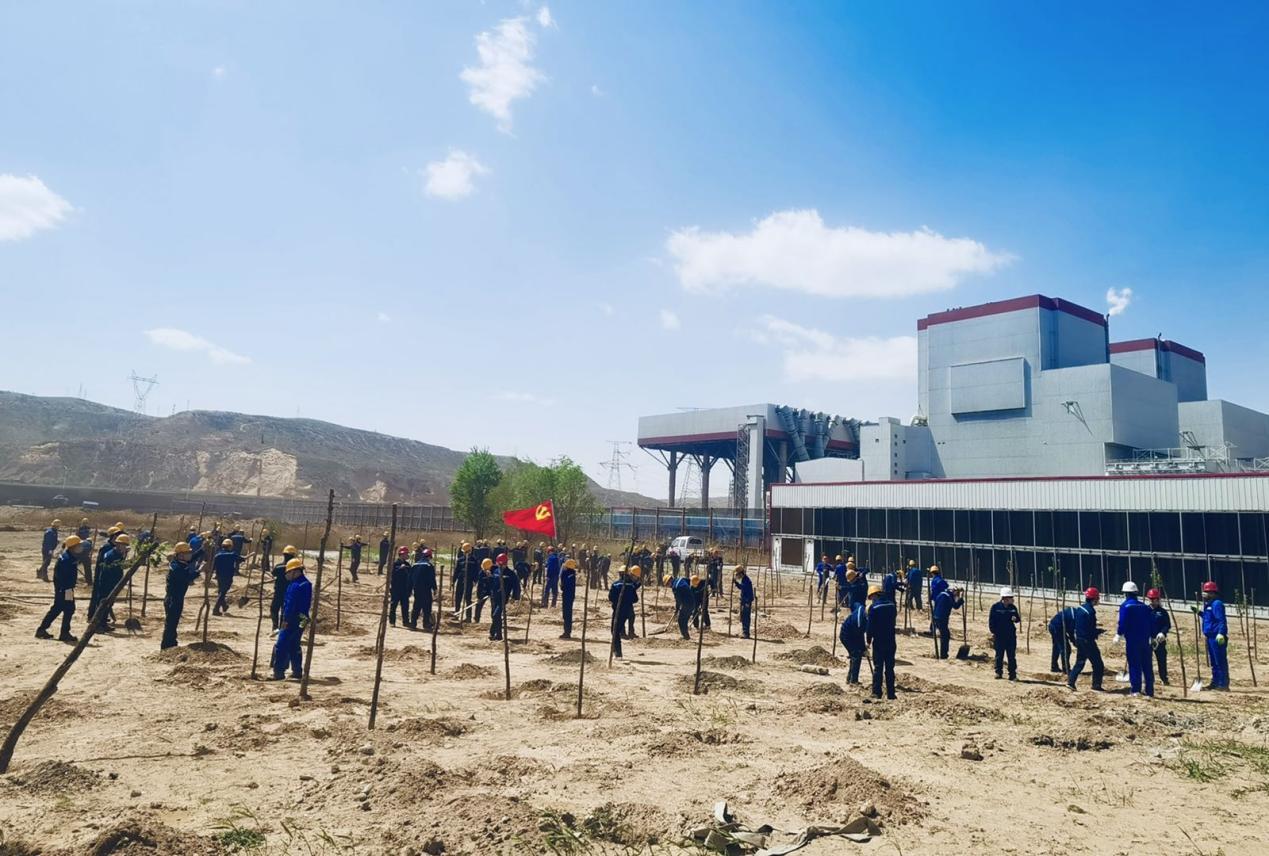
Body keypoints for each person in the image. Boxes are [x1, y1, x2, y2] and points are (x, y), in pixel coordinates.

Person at [36, 534, 87, 643]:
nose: (81, 547)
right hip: (65, 589)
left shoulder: (69, 557)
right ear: (73, 547)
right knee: (64, 608)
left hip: (66, 589)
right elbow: (62, 577)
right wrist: (65, 590)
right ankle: (56, 632)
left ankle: (53, 631)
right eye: (79, 545)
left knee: (65, 609)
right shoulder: (67, 559)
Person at [269, 558, 311, 681]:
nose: (286, 575)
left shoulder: (296, 586)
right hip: (303, 618)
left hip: (293, 618)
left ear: (295, 571)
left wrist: (285, 621)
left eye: (288, 572)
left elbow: (290, 605)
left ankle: (278, 672)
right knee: (294, 643)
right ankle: (297, 671)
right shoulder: (305, 583)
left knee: (281, 644)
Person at [1115, 581, 1155, 697]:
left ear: (1125, 594)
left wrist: (1119, 634)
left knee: (1134, 664)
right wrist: (1152, 636)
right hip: (1145, 640)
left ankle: (1136, 690)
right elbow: (1151, 623)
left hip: (1132, 641)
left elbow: (1123, 622)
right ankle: (1149, 690)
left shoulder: (1126, 606)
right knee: (1147, 665)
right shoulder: (1145, 607)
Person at [161, 542, 200, 649]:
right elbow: (187, 578)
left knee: (173, 623)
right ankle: (166, 646)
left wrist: (202, 550)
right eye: (188, 553)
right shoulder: (177, 567)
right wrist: (200, 570)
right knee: (171, 624)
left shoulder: (179, 562)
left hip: (177, 598)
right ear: (181, 555)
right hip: (173, 599)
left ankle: (172, 643)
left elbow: (191, 558)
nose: (190, 554)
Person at [88, 533, 131, 631]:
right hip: (107, 582)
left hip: (112, 582)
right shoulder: (112, 555)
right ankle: (97, 625)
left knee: (108, 604)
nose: (125, 547)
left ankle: (103, 623)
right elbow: (116, 568)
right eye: (123, 545)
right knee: (102, 604)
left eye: (126, 545)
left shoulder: (117, 553)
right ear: (118, 544)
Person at [1068, 587, 1106, 691]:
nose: (1098, 600)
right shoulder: (1090, 612)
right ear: (1094, 599)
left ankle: (1071, 682)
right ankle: (1096, 685)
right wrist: (1098, 632)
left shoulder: (1080, 608)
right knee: (1098, 664)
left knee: (1080, 662)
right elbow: (1090, 629)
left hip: (1080, 639)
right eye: (1097, 598)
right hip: (1088, 641)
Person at [1195, 580, 1229, 690]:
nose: (1204, 594)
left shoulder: (1217, 604)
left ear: (1212, 593)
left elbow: (1221, 620)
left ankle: (1223, 684)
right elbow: (1208, 618)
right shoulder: (1208, 605)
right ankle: (1215, 682)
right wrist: (1199, 613)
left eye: (1206, 592)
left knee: (1220, 661)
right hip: (1210, 637)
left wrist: (1221, 633)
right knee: (1214, 662)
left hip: (1217, 637)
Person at [866, 584, 897, 700]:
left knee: (878, 667)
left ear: (875, 595)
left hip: (879, 641)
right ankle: (891, 693)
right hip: (891, 640)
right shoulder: (892, 605)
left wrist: (868, 640)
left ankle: (876, 692)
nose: (872, 600)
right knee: (890, 668)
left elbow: (870, 627)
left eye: (871, 597)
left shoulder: (874, 608)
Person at [988, 587, 1021, 680]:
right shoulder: (995, 607)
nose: (1012, 599)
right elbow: (991, 621)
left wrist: (1015, 619)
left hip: (1010, 636)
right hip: (999, 636)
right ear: (1005, 598)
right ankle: (998, 672)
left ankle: (1012, 674)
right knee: (999, 655)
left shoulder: (1013, 608)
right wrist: (993, 632)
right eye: (1011, 598)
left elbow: (1018, 619)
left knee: (1011, 656)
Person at [608, 565, 639, 659]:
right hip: (628, 610)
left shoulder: (615, 584)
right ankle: (616, 650)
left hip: (618, 610)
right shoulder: (631, 585)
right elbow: (635, 599)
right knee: (617, 630)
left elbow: (611, 597)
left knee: (615, 631)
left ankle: (618, 653)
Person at [489, 553, 520, 641]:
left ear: (505, 564)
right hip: (494, 597)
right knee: (494, 616)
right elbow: (491, 583)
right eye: (499, 564)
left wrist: (514, 597)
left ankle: (496, 634)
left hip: (503, 598)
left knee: (496, 615)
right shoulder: (495, 571)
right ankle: (495, 634)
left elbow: (516, 586)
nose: (500, 566)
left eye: (502, 565)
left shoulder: (511, 574)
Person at [270, 544, 300, 633]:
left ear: (284, 555)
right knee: (285, 610)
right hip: (290, 592)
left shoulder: (278, 567)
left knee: (274, 609)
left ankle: (275, 627)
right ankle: (281, 628)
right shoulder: (296, 569)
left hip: (278, 591)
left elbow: (273, 573)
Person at [212, 538, 245, 616]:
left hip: (219, 576)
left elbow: (213, 567)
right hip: (228, 576)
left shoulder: (217, 555)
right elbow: (241, 559)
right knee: (223, 592)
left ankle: (224, 606)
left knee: (220, 591)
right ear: (230, 546)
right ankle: (215, 609)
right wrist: (248, 556)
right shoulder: (232, 554)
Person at [839, 595, 868, 685]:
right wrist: (863, 649)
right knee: (856, 655)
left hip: (852, 634)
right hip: (846, 635)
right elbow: (859, 636)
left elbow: (854, 605)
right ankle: (853, 681)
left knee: (855, 655)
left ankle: (850, 679)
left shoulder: (861, 608)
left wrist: (864, 648)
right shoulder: (859, 621)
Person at [931, 583, 963, 659]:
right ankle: (943, 654)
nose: (957, 595)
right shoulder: (948, 596)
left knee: (944, 635)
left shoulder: (941, 594)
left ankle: (943, 654)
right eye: (957, 593)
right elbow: (955, 606)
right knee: (945, 636)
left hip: (936, 617)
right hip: (942, 618)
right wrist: (961, 599)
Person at [1146, 588, 1171, 685]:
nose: (1152, 601)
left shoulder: (1163, 612)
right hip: (1147, 639)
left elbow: (1167, 625)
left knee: (1162, 659)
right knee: (1147, 660)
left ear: (1158, 599)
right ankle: (1149, 678)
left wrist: (1163, 633)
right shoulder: (1145, 611)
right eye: (1151, 599)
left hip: (1159, 640)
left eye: (1154, 599)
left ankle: (1164, 678)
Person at [410, 548, 438, 631]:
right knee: (427, 607)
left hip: (417, 589)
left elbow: (410, 578)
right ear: (429, 556)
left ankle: (413, 624)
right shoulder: (429, 566)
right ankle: (426, 624)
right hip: (426, 589)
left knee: (416, 606)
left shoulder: (414, 565)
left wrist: (410, 589)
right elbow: (432, 579)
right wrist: (434, 588)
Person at [1048, 605, 1077, 673]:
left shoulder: (1074, 613)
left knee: (1056, 648)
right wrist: (1074, 642)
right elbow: (1071, 631)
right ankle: (1065, 668)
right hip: (1057, 628)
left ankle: (1054, 667)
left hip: (1053, 625)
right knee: (1066, 649)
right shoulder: (1074, 617)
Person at [389, 546, 412, 627]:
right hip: (396, 588)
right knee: (393, 605)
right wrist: (399, 569)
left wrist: (410, 589)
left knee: (405, 606)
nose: (407, 555)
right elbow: (392, 574)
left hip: (405, 589)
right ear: (402, 554)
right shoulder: (395, 563)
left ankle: (406, 622)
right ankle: (392, 621)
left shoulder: (407, 564)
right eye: (406, 554)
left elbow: (410, 576)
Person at [670, 574, 692, 639]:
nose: (669, 586)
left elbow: (678, 600)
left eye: (667, 584)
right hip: (692, 602)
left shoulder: (675, 587)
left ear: (669, 581)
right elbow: (689, 581)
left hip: (686, 604)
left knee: (681, 620)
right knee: (685, 620)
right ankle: (686, 635)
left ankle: (685, 636)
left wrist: (677, 609)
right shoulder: (681, 579)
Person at [453, 542, 473, 619]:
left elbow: (476, 571)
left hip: (469, 581)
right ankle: (457, 614)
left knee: (468, 599)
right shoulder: (460, 560)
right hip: (460, 581)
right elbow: (456, 571)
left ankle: (468, 617)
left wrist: (475, 580)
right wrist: (453, 581)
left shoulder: (473, 560)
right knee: (458, 598)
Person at [560, 558, 578, 639]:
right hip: (569, 596)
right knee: (567, 614)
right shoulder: (571, 574)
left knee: (567, 614)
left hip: (567, 596)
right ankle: (567, 631)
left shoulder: (568, 574)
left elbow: (563, 585)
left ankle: (567, 632)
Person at [474, 558, 493, 624]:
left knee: (494, 606)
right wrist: (479, 597)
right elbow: (480, 586)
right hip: (484, 591)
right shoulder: (481, 573)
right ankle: (476, 619)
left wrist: (490, 577)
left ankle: (495, 620)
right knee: (478, 604)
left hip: (493, 590)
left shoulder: (495, 572)